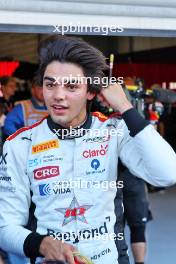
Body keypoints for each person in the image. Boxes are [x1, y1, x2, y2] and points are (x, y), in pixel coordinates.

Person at [0, 36, 176, 264]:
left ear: (91, 92)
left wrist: (125, 107)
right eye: (50, 84)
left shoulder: (114, 131)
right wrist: (41, 244)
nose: (58, 95)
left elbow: (168, 173)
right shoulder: (20, 144)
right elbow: (5, 226)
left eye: (71, 86)